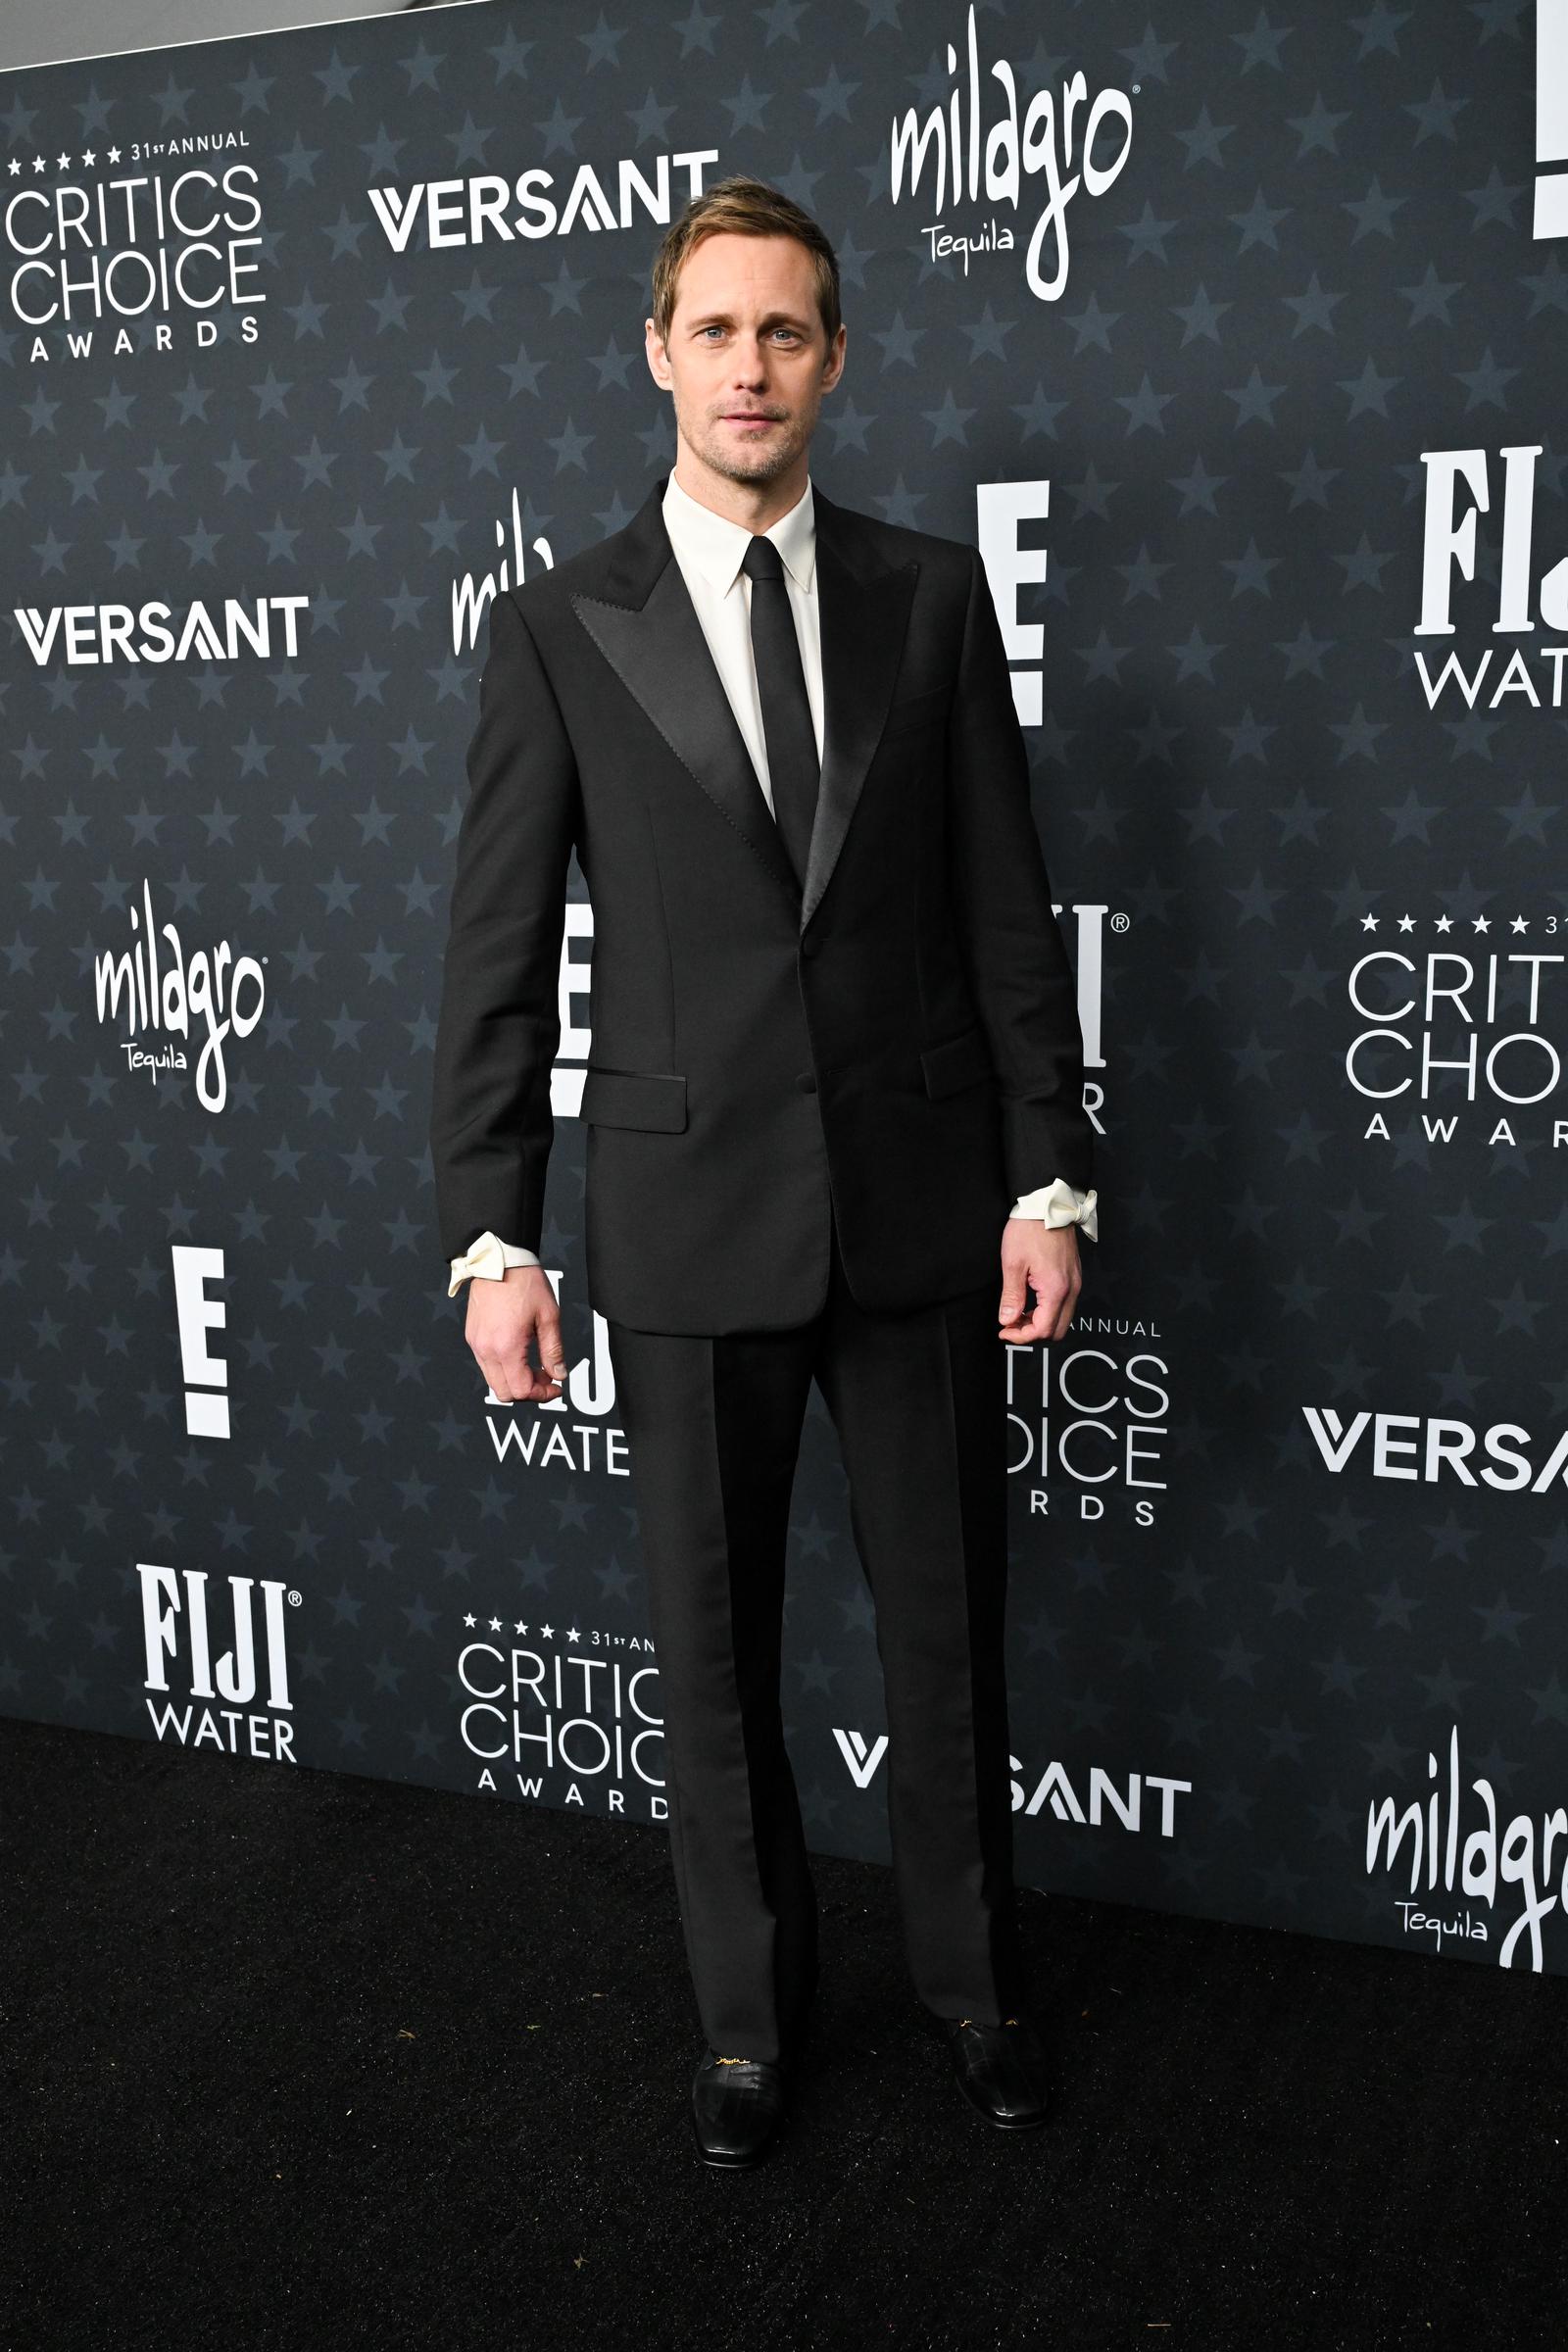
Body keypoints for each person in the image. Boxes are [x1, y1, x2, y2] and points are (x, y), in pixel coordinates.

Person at [430, 174, 1098, 2169]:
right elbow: (491, 958)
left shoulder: (930, 597)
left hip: (922, 1212)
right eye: (715, 330)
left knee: (946, 1643)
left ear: (835, 358)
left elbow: (1006, 915)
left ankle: (973, 1989)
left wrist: (1045, 1181)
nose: (750, 367)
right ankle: (746, 2026)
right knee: (712, 1665)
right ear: (658, 351)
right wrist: (490, 1233)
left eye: (785, 331)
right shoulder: (557, 627)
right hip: (683, 1219)